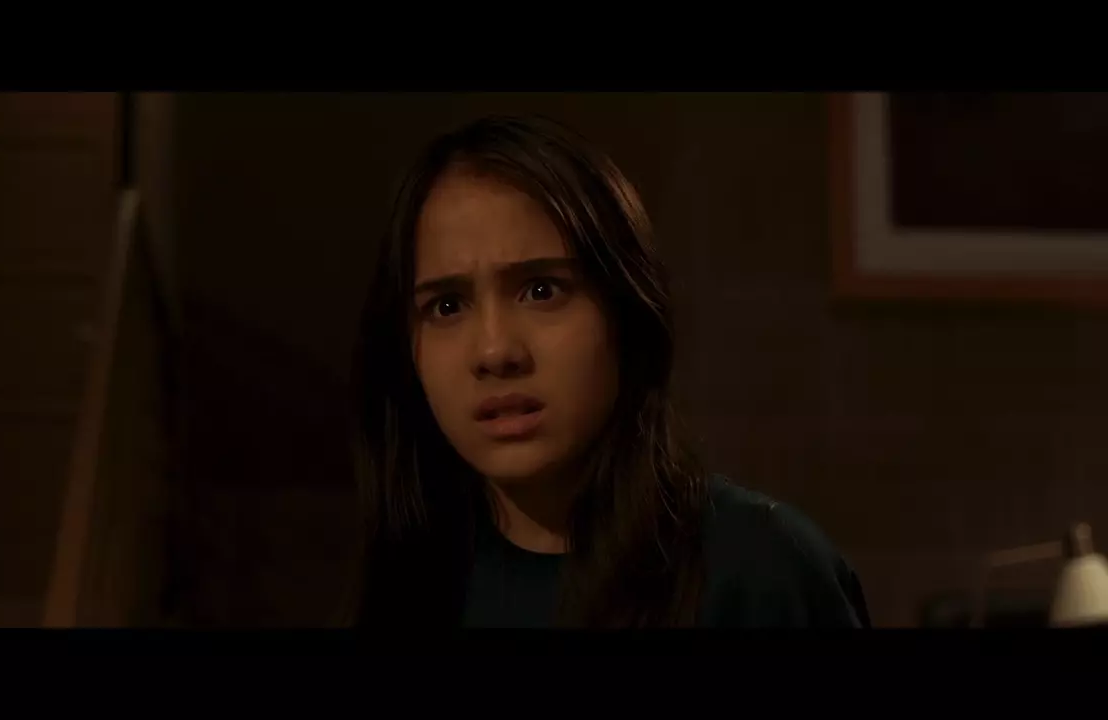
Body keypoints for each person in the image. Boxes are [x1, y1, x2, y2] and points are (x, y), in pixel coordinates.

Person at [346, 114, 870, 628]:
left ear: (627, 311)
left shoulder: (760, 572)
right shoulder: (403, 587)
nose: (495, 351)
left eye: (541, 291)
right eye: (446, 306)